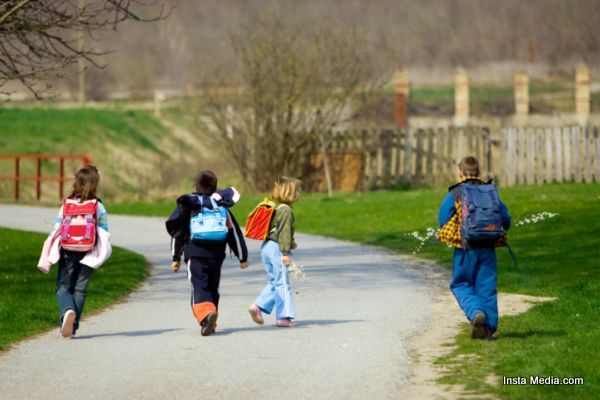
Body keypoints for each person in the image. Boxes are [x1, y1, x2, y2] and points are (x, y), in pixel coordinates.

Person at [166, 170, 248, 336]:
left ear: (195, 186)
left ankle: (206, 316)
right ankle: (211, 318)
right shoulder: (221, 205)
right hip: (217, 254)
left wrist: (176, 257)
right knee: (212, 286)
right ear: (215, 187)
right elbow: (234, 233)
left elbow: (179, 232)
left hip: (195, 252)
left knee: (198, 285)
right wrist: (242, 257)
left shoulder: (191, 205)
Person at [438, 156, 511, 339]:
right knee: (486, 287)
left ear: (460, 173)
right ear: (478, 173)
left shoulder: (456, 193)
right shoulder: (490, 191)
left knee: (461, 284)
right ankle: (488, 328)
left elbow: (443, 218)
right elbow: (506, 220)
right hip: (488, 247)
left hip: (465, 248)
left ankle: (475, 311)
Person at [53, 165, 110, 338]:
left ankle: (67, 311)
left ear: (76, 183)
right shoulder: (98, 206)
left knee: (63, 288)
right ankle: (73, 325)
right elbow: (104, 230)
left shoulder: (67, 204)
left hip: (68, 250)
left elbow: (57, 228)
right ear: (95, 184)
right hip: (89, 251)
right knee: (80, 289)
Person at [248, 177, 301, 328]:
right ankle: (284, 317)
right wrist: (285, 252)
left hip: (267, 247)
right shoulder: (286, 211)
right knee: (283, 283)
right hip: (277, 249)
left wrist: (291, 243)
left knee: (275, 282)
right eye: (297, 191)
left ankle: (257, 306)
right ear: (291, 193)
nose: (299, 194)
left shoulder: (277, 209)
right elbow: (283, 232)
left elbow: (275, 231)